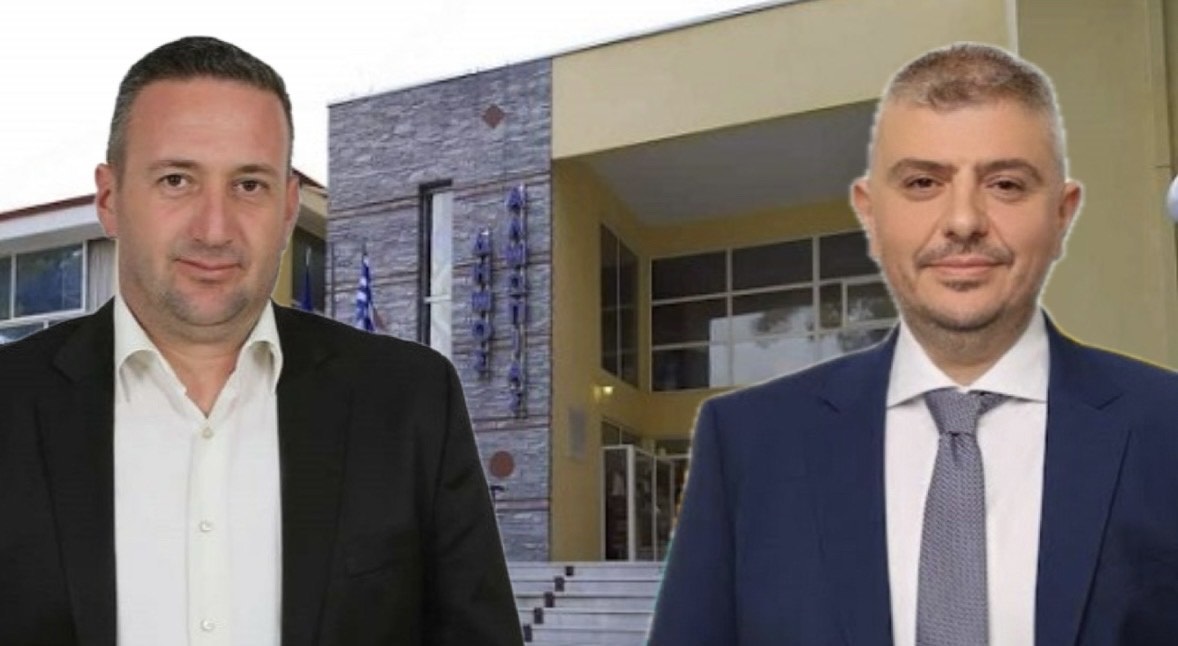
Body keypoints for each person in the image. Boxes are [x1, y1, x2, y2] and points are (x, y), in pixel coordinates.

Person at [648, 42, 1178, 646]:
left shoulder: (1167, 427)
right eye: (923, 182)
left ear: (1062, 215)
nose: (964, 221)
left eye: (1006, 184)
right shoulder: (747, 444)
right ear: (870, 215)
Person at [0, 36, 523, 646]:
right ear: (110, 199)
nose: (214, 229)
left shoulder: (410, 401)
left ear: (288, 208)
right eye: (176, 179)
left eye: (249, 185)